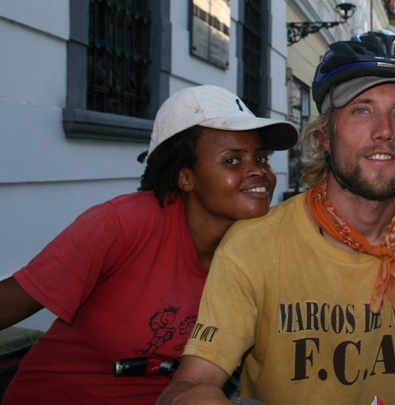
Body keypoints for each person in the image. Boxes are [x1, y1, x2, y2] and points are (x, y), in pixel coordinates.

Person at [157, 31, 395, 404]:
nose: (384, 131)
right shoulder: (254, 244)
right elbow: (191, 382)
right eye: (361, 109)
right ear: (324, 136)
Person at [0, 85, 299, 404]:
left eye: (261, 158)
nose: (259, 171)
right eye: (232, 161)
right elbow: (11, 302)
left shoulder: (258, 247)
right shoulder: (122, 224)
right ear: (185, 177)